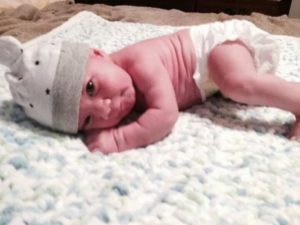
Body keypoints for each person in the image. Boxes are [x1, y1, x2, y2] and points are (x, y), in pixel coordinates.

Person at [1, 19, 300, 154]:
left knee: (238, 84)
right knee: (237, 88)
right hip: (208, 79)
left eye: (91, 88)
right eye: (89, 119)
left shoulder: (138, 60)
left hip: (214, 50)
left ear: (98, 53)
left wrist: (120, 139)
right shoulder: (119, 87)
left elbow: (165, 114)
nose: (106, 107)